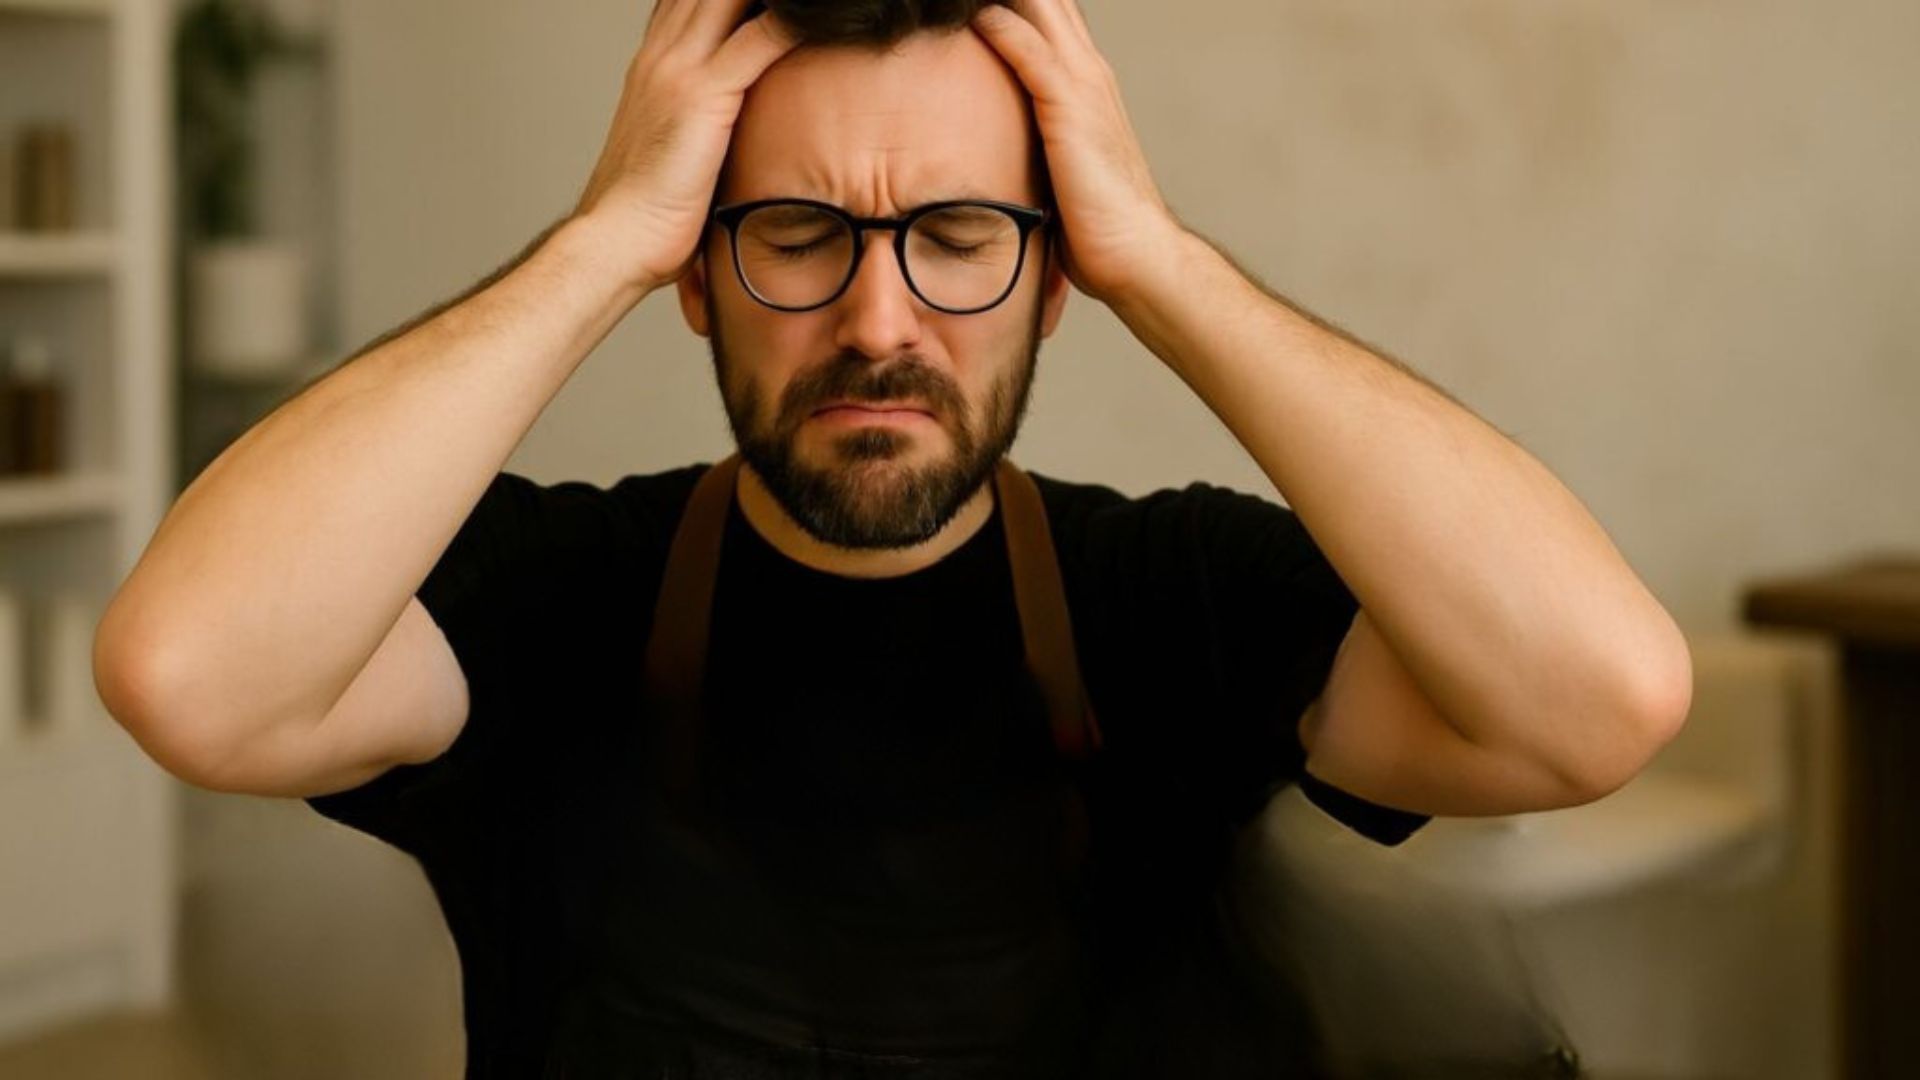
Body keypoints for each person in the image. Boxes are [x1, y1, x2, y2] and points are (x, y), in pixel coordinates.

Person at [94, 0, 1693, 1076]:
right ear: (697, 273)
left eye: (957, 235)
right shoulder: (553, 599)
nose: (879, 320)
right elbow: (188, 676)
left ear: (1054, 280)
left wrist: (1162, 261)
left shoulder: (1176, 600)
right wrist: (596, 242)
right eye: (797, 235)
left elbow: (1598, 702)